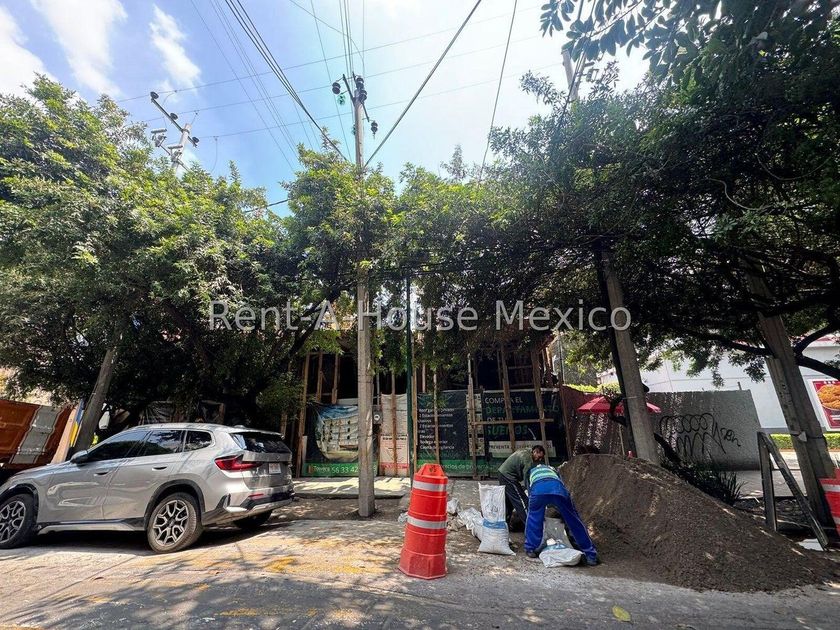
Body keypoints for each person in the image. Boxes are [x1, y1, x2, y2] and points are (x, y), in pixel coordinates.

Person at [524, 463, 599, 566]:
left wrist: (540, 507)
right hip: (558, 490)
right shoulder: (553, 469)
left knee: (533, 519)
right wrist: (565, 509)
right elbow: (561, 484)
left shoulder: (530, 472)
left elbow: (530, 491)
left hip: (538, 491)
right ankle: (590, 554)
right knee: (574, 520)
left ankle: (530, 549)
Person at [498, 445, 545, 528]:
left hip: (502, 473)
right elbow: (527, 478)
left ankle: (504, 526)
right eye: (539, 457)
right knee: (522, 501)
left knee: (509, 502)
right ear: (535, 452)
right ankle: (531, 527)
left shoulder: (528, 451)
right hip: (508, 477)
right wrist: (532, 495)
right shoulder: (528, 460)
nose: (540, 459)